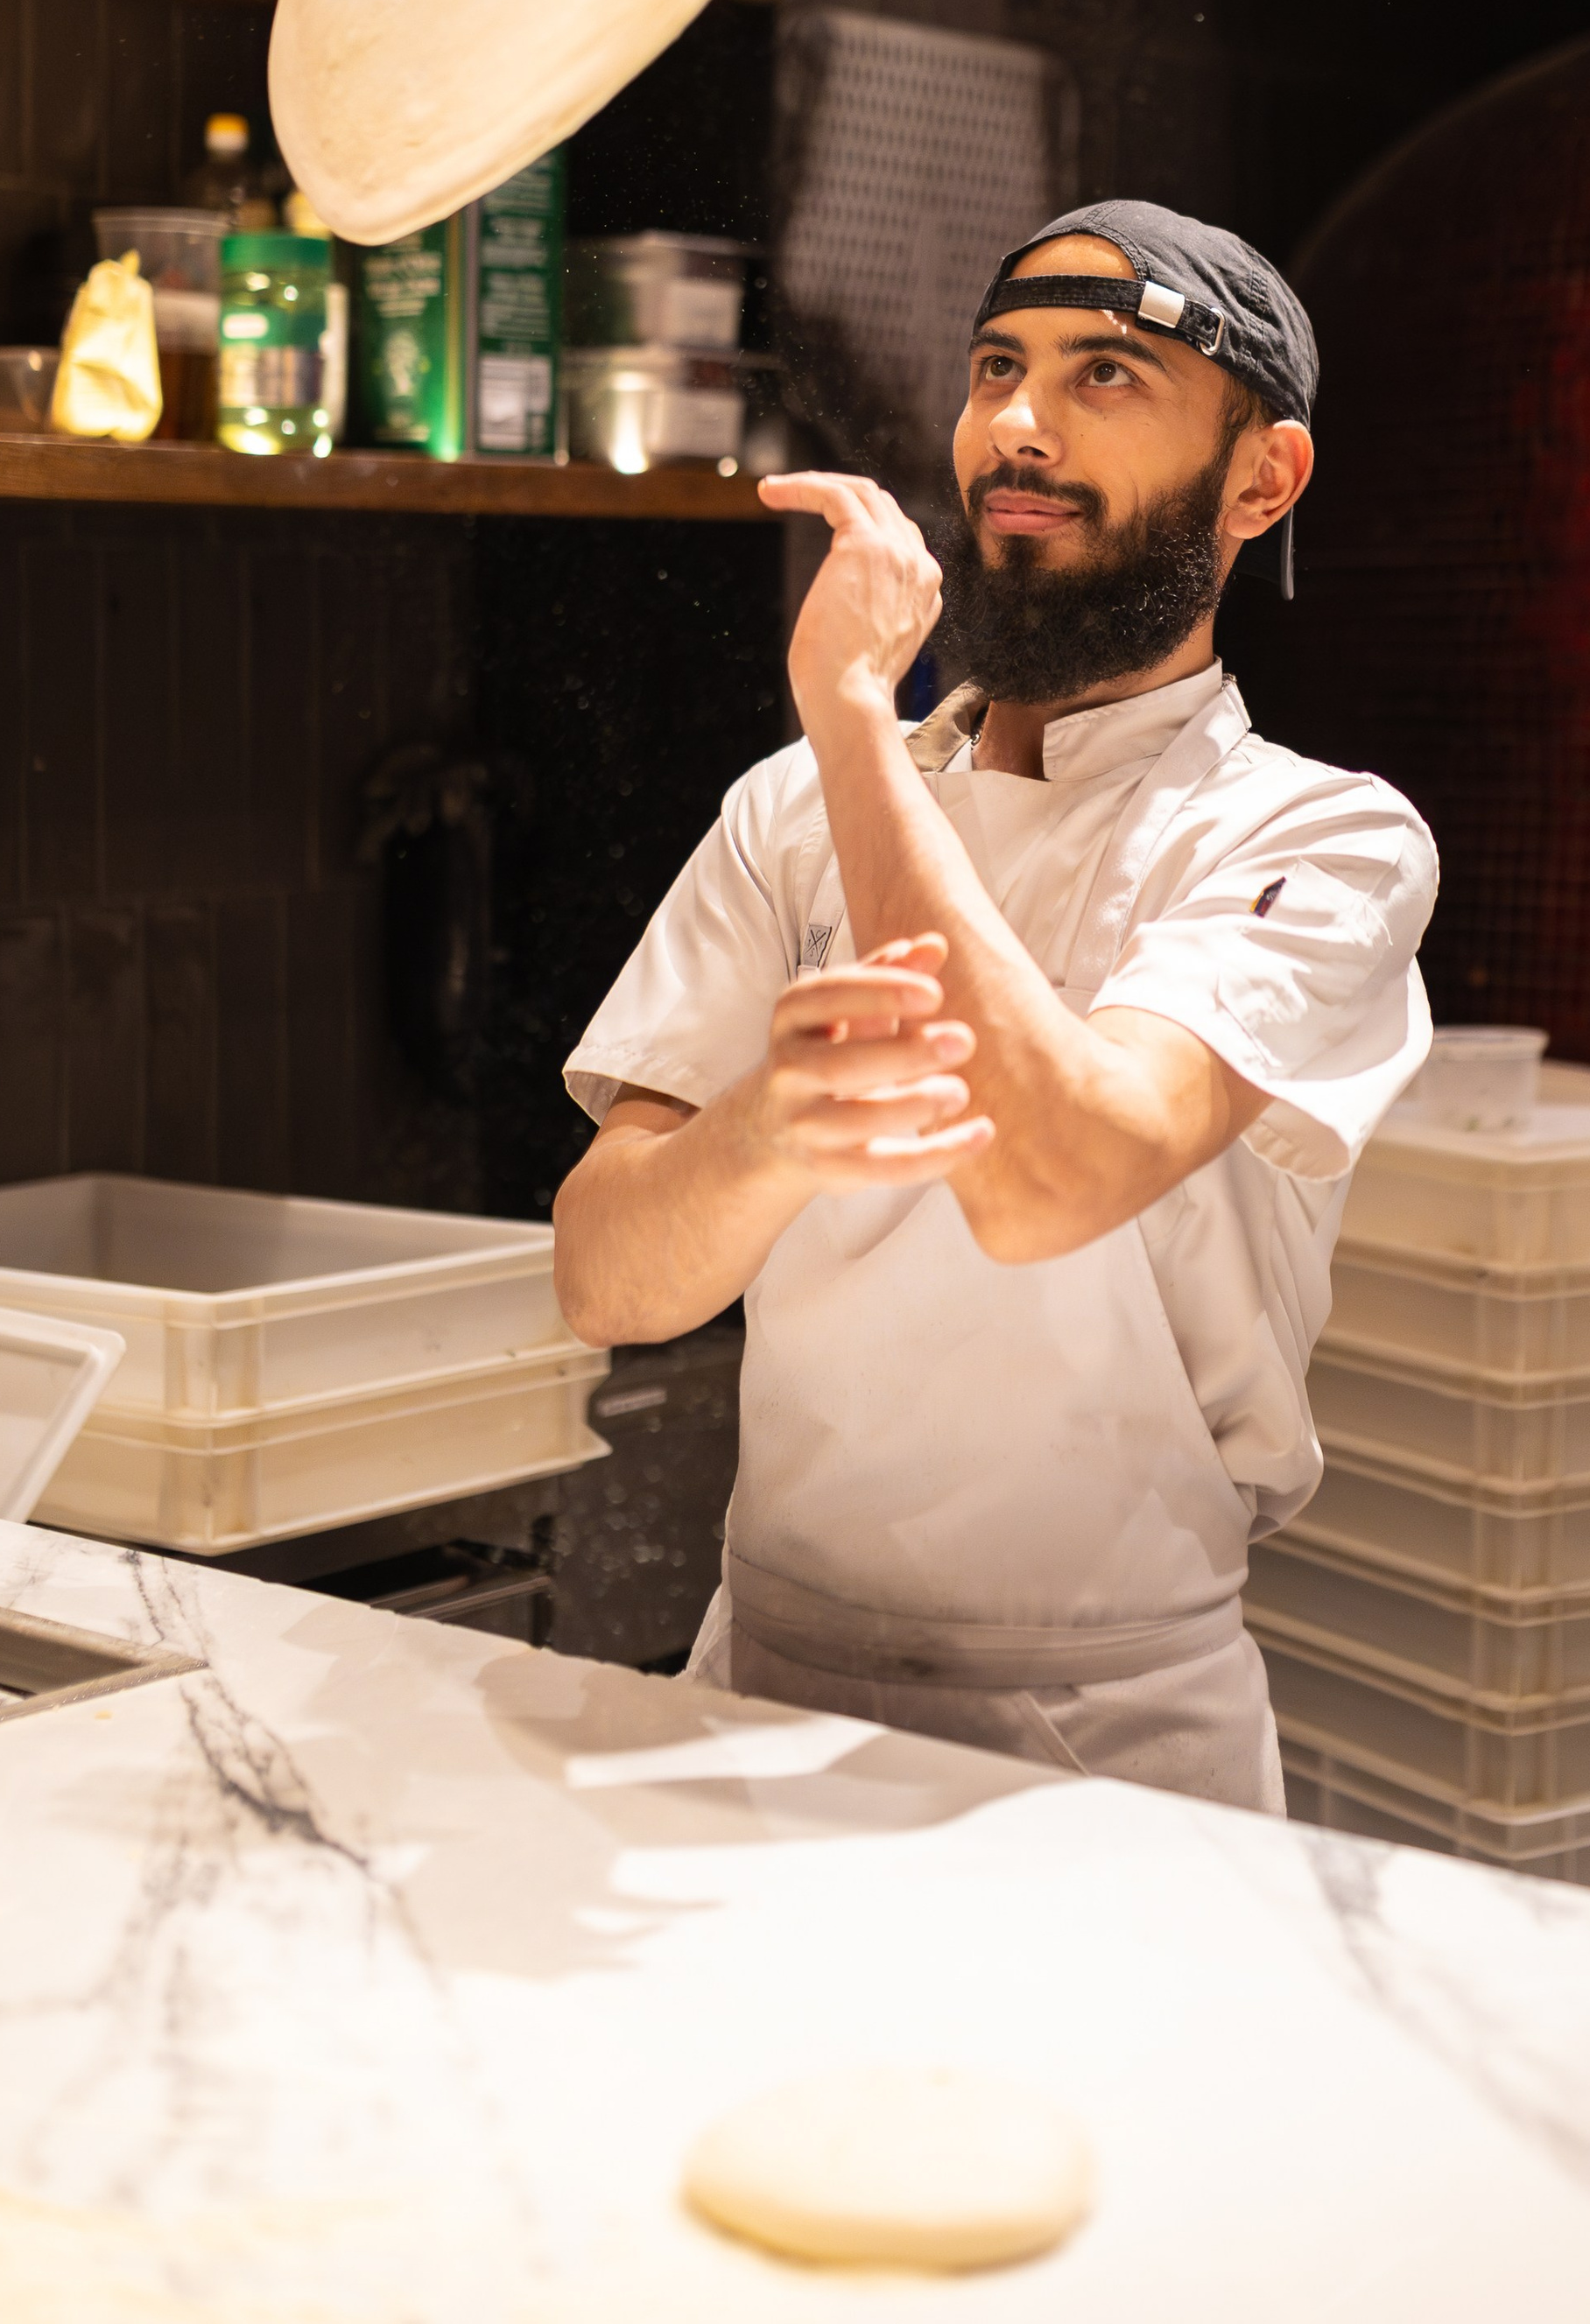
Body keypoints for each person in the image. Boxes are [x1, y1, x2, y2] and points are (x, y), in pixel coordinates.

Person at [554, 200, 1438, 1813]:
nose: (1017, 427)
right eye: (995, 368)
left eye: (1106, 374)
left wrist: (847, 713)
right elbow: (606, 1277)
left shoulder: (1321, 837)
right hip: (756, 1685)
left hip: (1111, 1736)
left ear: (1263, 477)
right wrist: (763, 1129)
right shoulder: (790, 810)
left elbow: (1053, 1178)